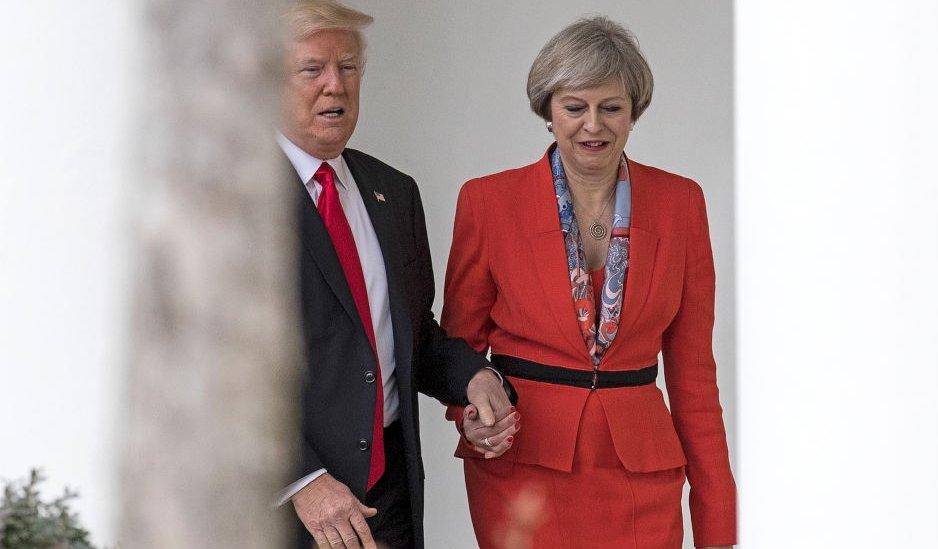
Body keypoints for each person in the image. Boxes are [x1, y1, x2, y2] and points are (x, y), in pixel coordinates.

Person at [442, 16, 736, 549]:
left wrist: (719, 525)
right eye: (575, 107)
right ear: (548, 112)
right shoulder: (487, 202)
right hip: (523, 468)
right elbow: (456, 350)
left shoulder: (681, 204)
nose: (592, 125)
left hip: (642, 474)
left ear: (634, 113)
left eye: (611, 107)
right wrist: (471, 416)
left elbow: (694, 376)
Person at [275, 2, 516, 548]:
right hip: (292, 512)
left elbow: (414, 333)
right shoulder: (238, 202)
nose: (335, 85)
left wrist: (476, 378)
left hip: (389, 500)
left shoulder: (393, 192)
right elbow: (222, 366)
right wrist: (302, 479)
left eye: (349, 67)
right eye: (313, 69)